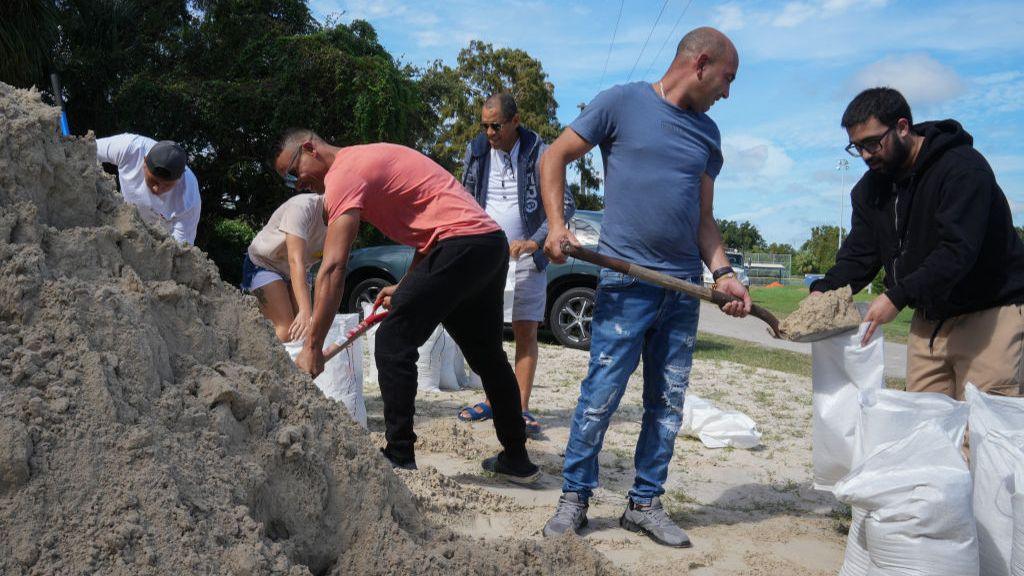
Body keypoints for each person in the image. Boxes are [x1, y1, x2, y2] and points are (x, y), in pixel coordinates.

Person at [539, 27, 749, 547]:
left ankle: (645, 503)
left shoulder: (708, 136)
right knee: (600, 396)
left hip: (682, 291)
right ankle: (575, 499)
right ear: (700, 63)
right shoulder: (621, 103)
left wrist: (724, 273)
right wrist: (556, 225)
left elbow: (704, 219)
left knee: (668, 402)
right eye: (727, 79)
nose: (728, 92)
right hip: (625, 281)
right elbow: (554, 157)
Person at [277, 129, 539, 481]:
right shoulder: (367, 158)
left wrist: (312, 347)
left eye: (294, 172)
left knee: (392, 341)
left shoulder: (343, 174)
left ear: (309, 147)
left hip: (461, 245)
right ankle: (517, 460)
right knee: (488, 357)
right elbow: (430, 229)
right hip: (486, 245)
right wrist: (405, 286)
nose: (297, 184)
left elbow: (334, 267)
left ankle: (398, 455)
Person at [810, 87, 1024, 400]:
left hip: (989, 313)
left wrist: (897, 296)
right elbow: (859, 257)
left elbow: (957, 251)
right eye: (857, 147)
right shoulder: (870, 190)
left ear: (902, 126)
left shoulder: (962, 169)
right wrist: (822, 292)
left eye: (873, 142)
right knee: (923, 428)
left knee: (985, 429)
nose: (867, 155)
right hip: (928, 319)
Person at [456, 92, 575, 435]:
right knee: (487, 332)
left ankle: (519, 407)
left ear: (515, 121)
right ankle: (494, 400)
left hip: (526, 255)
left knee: (525, 330)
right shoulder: (476, 150)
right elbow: (465, 197)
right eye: (485, 126)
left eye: (496, 126)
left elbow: (564, 206)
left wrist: (534, 242)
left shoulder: (541, 152)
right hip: (487, 254)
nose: (490, 133)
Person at [242, 193, 327, 343]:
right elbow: (295, 260)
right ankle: (261, 362)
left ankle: (295, 365)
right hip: (265, 263)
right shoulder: (302, 207)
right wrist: (306, 311)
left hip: (298, 270)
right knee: (286, 329)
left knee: (301, 332)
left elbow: (332, 269)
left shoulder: (343, 223)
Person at [95, 134, 201, 245]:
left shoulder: (189, 197)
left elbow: (181, 247)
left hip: (156, 242)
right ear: (144, 162)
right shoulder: (130, 148)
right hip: (120, 219)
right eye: (153, 181)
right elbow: (86, 150)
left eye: (166, 186)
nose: (157, 189)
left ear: (179, 179)